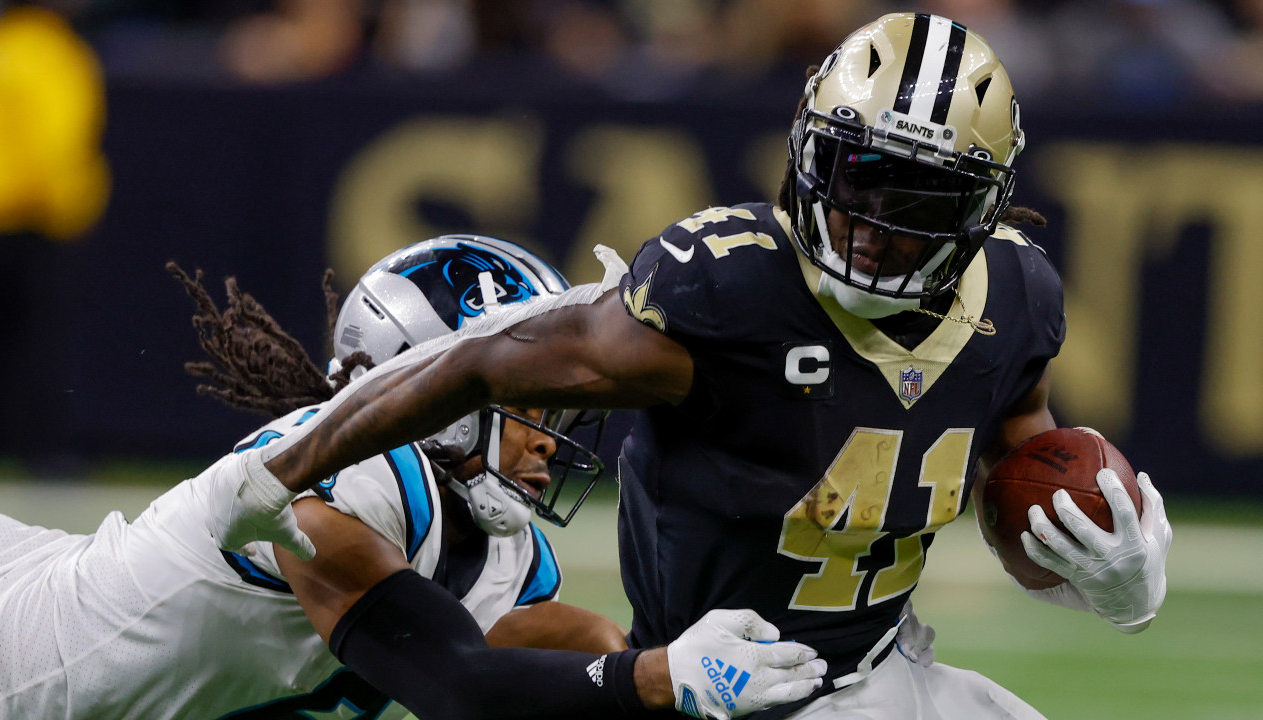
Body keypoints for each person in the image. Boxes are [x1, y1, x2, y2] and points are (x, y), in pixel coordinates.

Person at [214, 14, 1173, 720]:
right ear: (806, 154)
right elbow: (474, 363)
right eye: (856, 176)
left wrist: (1099, 573)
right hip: (732, 688)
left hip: (890, 674)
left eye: (920, 195)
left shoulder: (1017, 299)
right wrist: (283, 470)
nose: (874, 223)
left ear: (982, 209)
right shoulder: (730, 293)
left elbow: (1024, 499)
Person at [0, 236, 826, 720]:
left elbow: (583, 664)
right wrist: (665, 675)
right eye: (531, 406)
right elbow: (457, 681)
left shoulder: (499, 552)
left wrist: (667, 671)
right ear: (441, 395)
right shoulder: (329, 489)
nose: (547, 444)